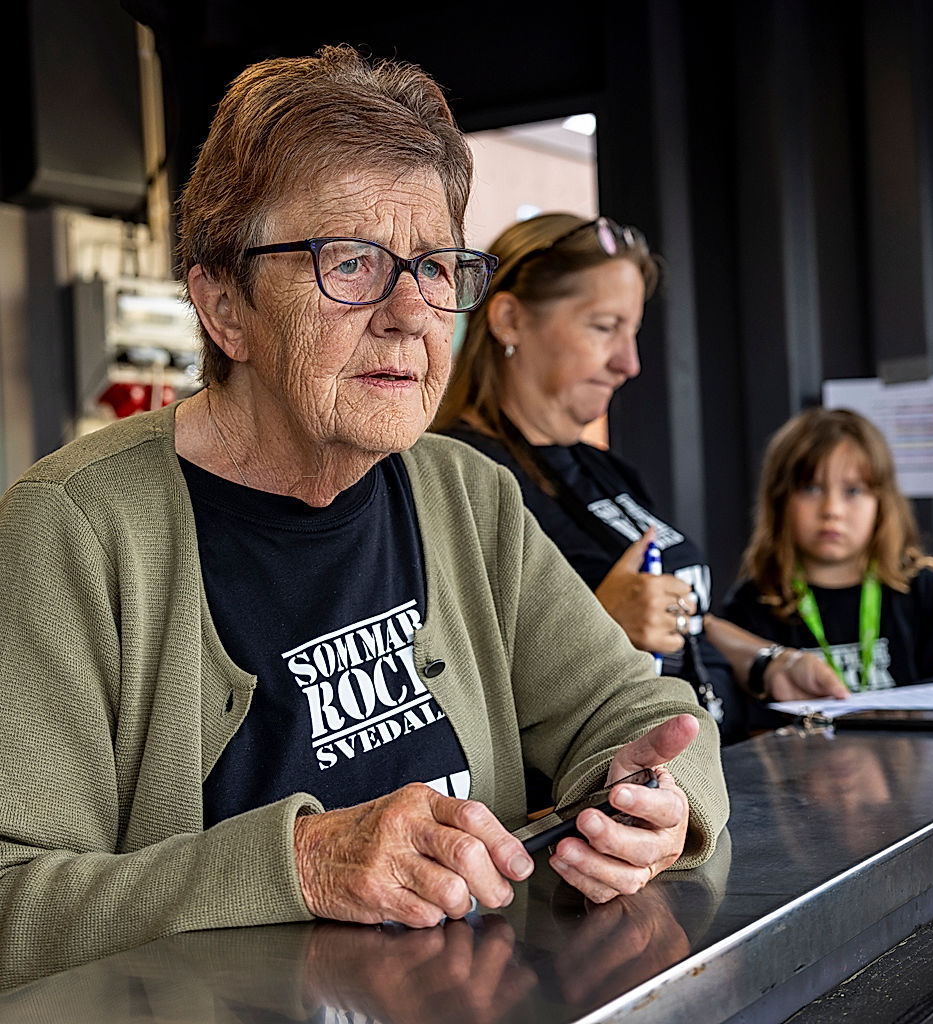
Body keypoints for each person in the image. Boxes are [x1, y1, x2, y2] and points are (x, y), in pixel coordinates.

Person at [0, 46, 730, 992]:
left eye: (434, 267)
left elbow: (642, 714)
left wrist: (659, 805)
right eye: (350, 262)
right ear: (224, 304)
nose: (409, 314)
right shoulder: (72, 529)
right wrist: (300, 862)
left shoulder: (467, 494)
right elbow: (13, 901)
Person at [431, 213, 843, 757]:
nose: (630, 362)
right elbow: (450, 683)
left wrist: (766, 663)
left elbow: (680, 614)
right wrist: (598, 625)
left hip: (716, 767)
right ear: (509, 319)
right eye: (604, 328)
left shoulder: (606, 469)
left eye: (633, 331)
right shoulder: (460, 480)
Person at [722, 406, 933, 696]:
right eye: (811, 488)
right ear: (780, 501)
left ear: (882, 503)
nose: (831, 510)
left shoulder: (927, 592)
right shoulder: (752, 604)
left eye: (853, 491)